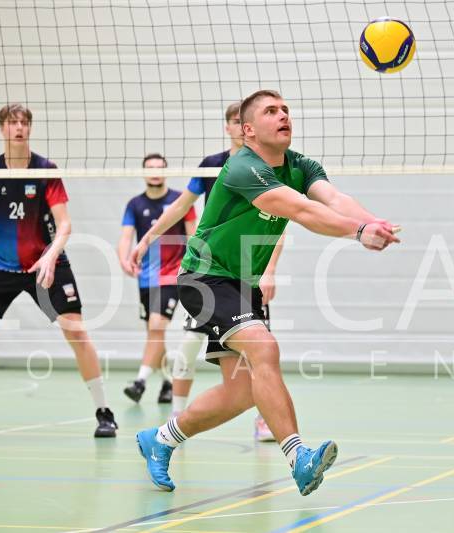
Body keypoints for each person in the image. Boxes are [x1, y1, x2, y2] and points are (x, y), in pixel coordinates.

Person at [133, 89, 400, 494]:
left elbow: (333, 199)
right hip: (205, 278)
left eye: (286, 110)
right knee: (265, 348)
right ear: (248, 130)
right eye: (271, 111)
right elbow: (302, 210)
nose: (283, 116)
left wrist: (372, 221)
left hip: (244, 284)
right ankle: (298, 458)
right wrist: (359, 232)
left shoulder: (300, 165)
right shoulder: (243, 167)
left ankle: (161, 439)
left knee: (241, 393)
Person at [0, 104, 118, 438]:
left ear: (29, 128)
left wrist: (51, 255)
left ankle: (104, 413)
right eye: (12, 122)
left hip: (46, 264)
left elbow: (65, 224)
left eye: (24, 122)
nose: (19, 128)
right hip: (2, 266)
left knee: (76, 331)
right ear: (2, 128)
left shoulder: (45, 169)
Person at [132, 102, 280, 441]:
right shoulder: (213, 165)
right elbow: (180, 205)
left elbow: (279, 223)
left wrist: (270, 269)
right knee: (189, 345)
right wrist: (148, 237)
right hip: (210, 274)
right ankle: (175, 418)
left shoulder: (268, 167)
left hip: (249, 272)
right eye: (234, 122)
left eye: (243, 121)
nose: (239, 127)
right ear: (230, 127)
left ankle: (263, 421)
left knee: (261, 352)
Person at [118, 153, 197, 404]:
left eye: (159, 167)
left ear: (166, 171)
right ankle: (167, 383)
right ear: (143, 172)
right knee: (155, 333)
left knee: (156, 327)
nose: (154, 171)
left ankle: (140, 382)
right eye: (150, 167)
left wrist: (193, 268)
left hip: (172, 275)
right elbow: (125, 237)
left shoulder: (180, 201)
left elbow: (193, 235)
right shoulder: (134, 204)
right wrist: (123, 260)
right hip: (146, 278)